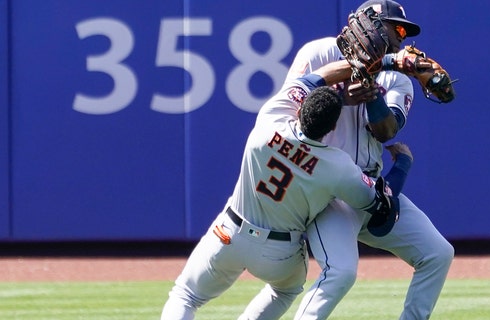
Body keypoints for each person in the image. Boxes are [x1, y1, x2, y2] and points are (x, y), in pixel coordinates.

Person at [160, 58, 413, 319]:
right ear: (333, 127)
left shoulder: (272, 117)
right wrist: (403, 162)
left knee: (185, 295)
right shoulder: (337, 165)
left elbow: (314, 78)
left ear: (300, 107)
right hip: (280, 251)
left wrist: (377, 61)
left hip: (230, 232)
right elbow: (382, 203)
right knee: (284, 291)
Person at [285, 0, 455, 319]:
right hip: (329, 194)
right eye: (397, 28)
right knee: (340, 273)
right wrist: (339, 96)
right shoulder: (318, 53)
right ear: (369, 24)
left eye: (407, 32)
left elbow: (386, 130)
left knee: (438, 253)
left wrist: (373, 94)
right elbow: (291, 111)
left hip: (370, 188)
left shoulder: (399, 77)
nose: (403, 37)